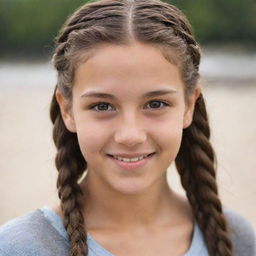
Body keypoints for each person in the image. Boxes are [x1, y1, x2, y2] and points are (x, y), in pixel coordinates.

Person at [0, 0, 255, 255]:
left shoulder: (237, 240)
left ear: (189, 106)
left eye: (156, 103)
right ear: (67, 109)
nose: (130, 135)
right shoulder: (20, 246)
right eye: (102, 106)